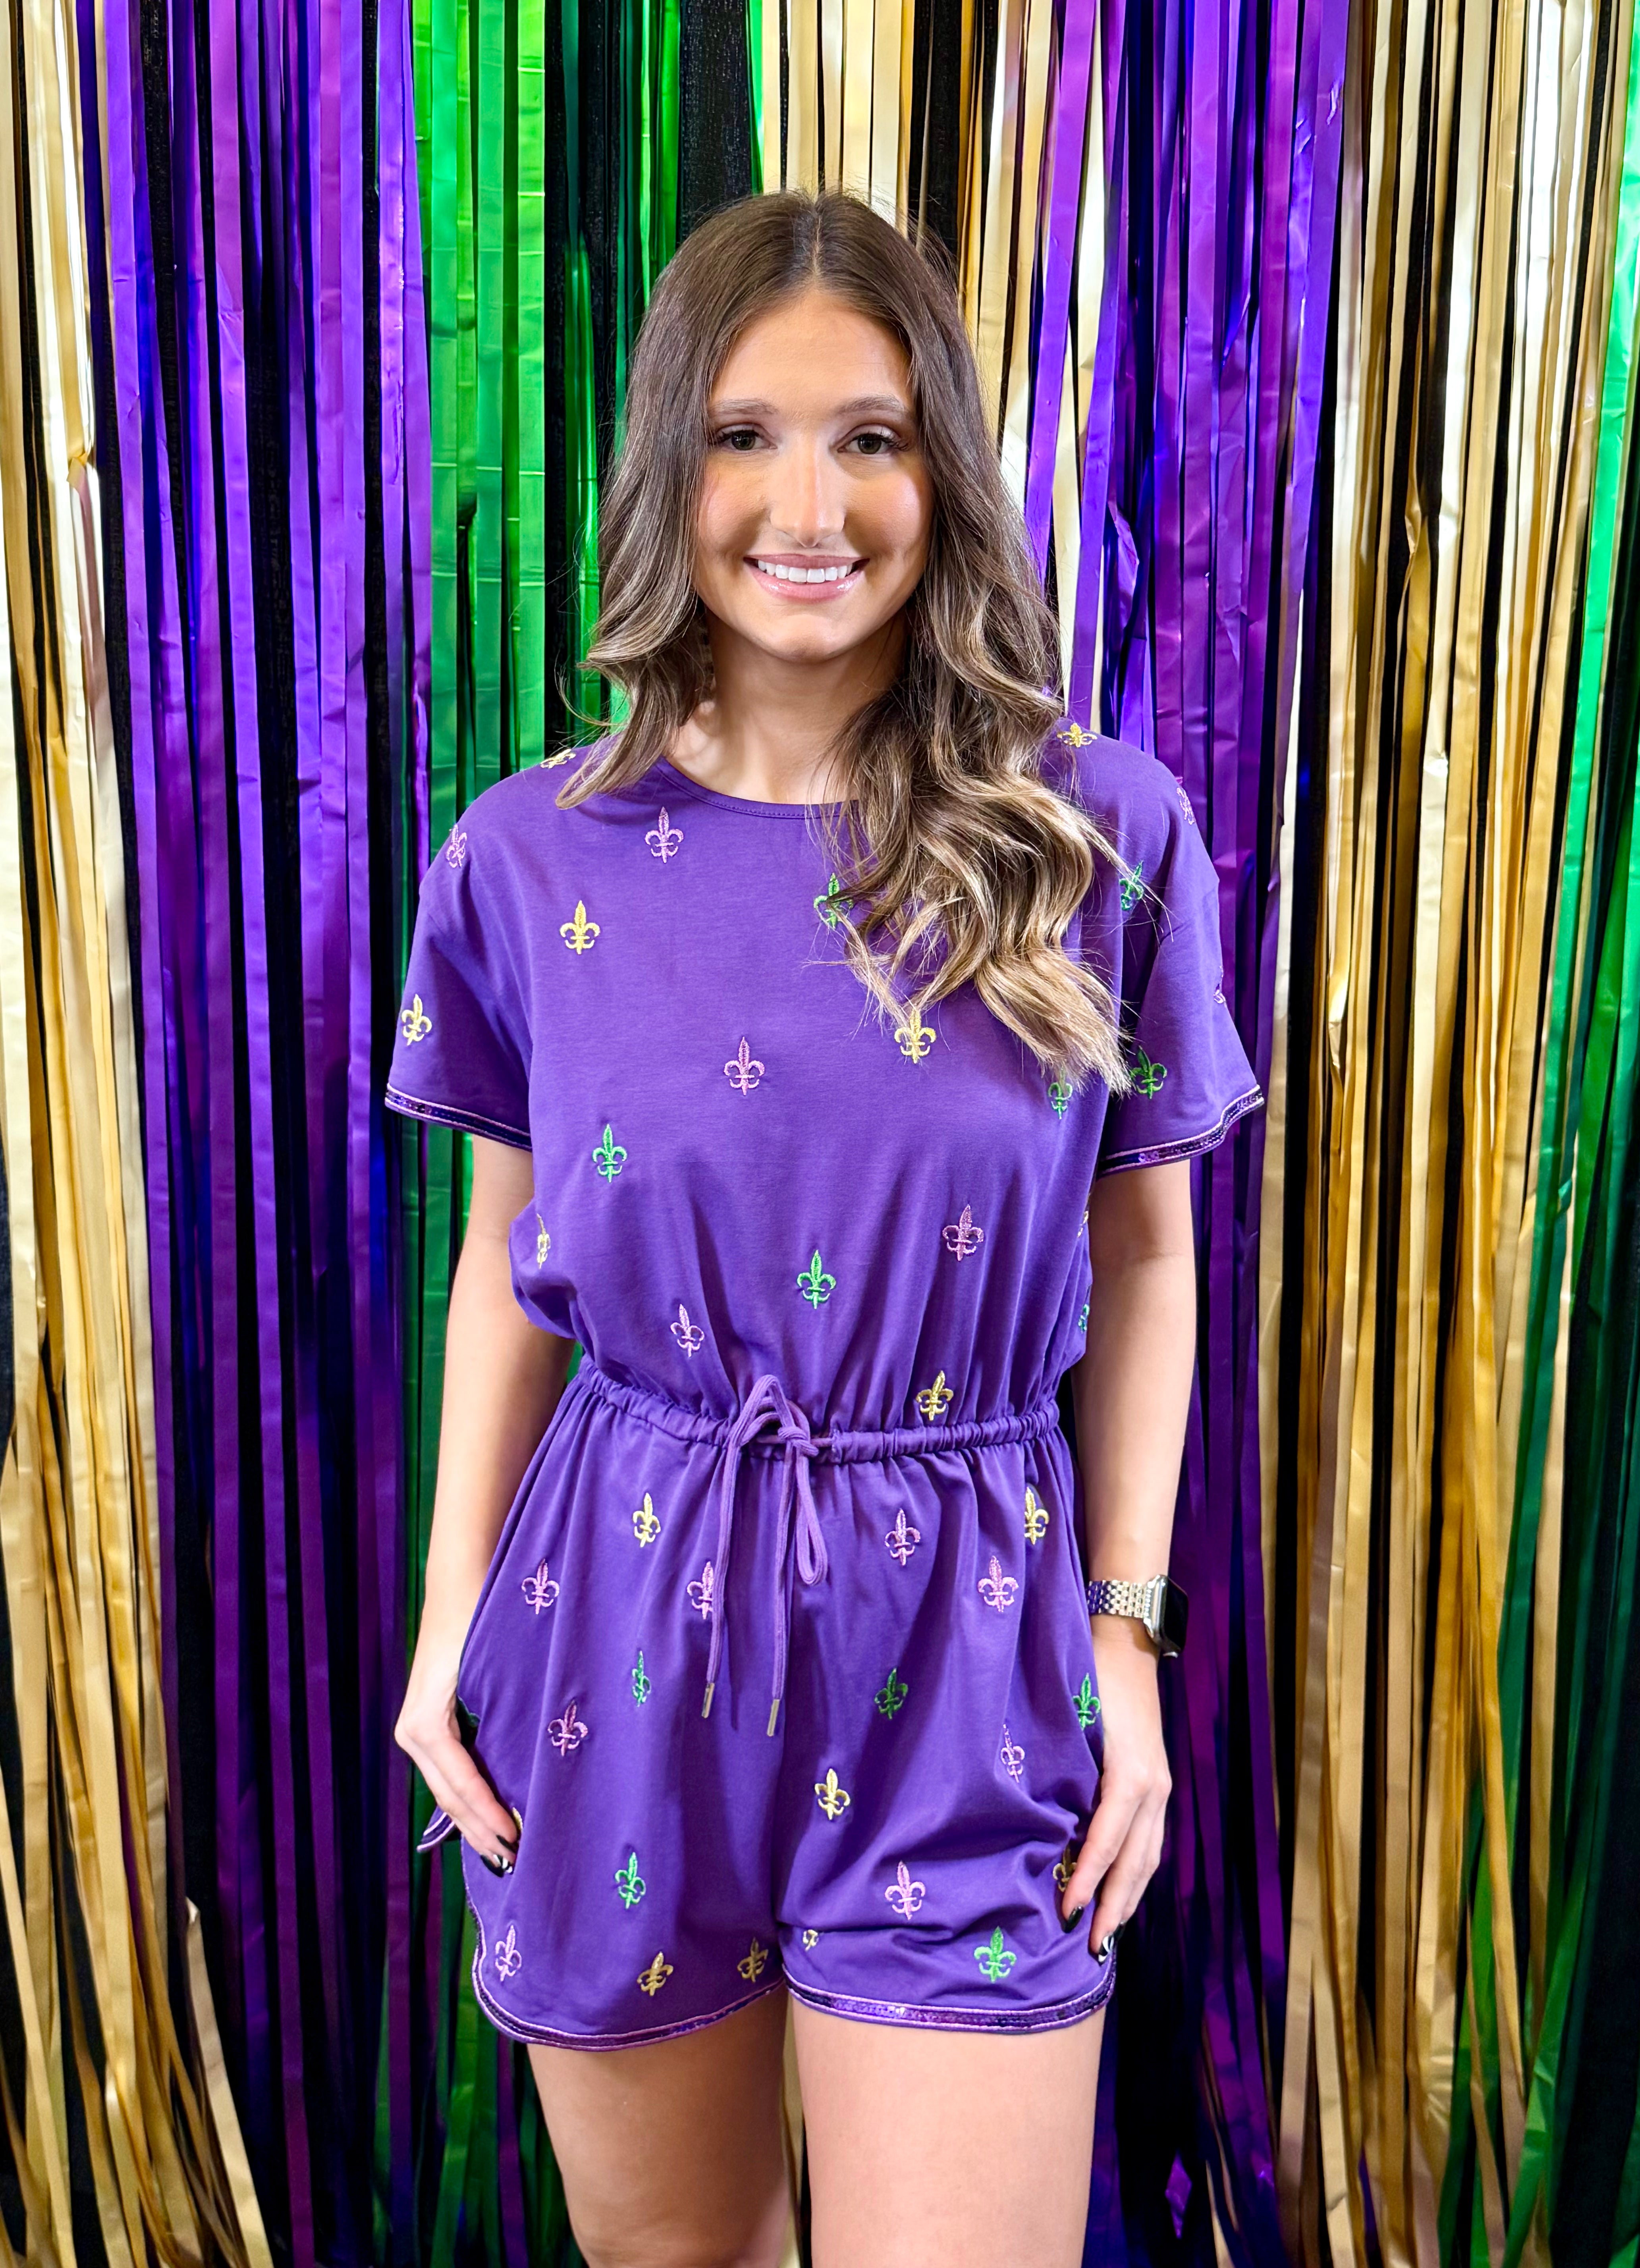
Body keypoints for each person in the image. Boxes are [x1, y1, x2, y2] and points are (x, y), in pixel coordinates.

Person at [387, 189, 1261, 2268]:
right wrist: (444, 1631)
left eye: (870, 436)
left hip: (972, 1628)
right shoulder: (525, 857)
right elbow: (506, 1270)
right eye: (745, 435)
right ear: (664, 467)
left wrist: (1124, 1637)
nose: (810, 504)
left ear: (941, 468)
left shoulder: (1096, 835)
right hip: (616, 1606)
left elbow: (1149, 1255)